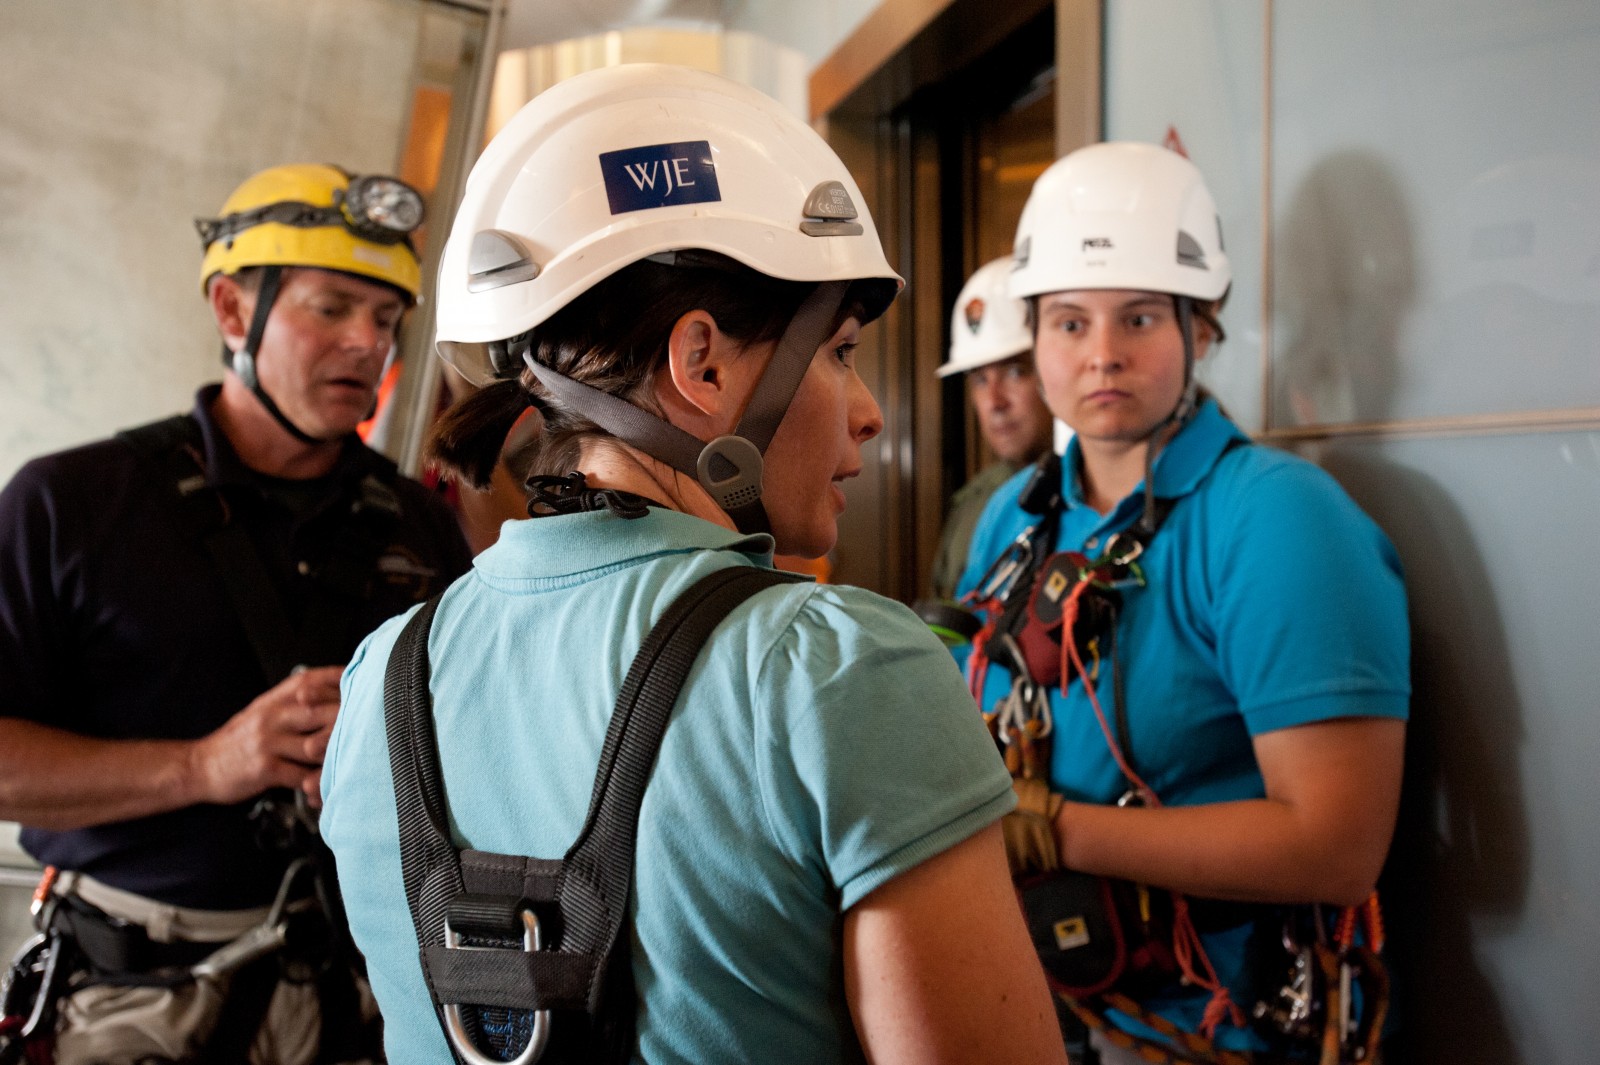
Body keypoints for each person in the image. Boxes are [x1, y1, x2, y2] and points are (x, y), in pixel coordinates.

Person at [318, 64, 1067, 1065]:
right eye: (841, 351)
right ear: (701, 364)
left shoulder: (381, 679)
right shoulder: (840, 669)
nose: (867, 413)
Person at [0, 163, 473, 1064]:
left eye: (386, 318)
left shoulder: (418, 525)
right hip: (137, 988)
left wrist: (391, 774)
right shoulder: (70, 503)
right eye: (332, 307)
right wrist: (203, 765)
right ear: (230, 310)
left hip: (353, 986)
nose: (367, 344)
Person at [955, 142, 1410, 1061]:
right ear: (1033, 336)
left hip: (1216, 1026)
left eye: (1140, 318)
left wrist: (1051, 831)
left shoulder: (1276, 519)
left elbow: (1335, 845)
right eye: (1069, 322)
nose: (1103, 355)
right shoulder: (1017, 515)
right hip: (1044, 998)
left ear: (1200, 329)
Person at [928, 257, 1056, 601]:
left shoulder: (1097, 495)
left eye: (1015, 372)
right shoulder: (973, 503)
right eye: (980, 379)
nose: (994, 402)